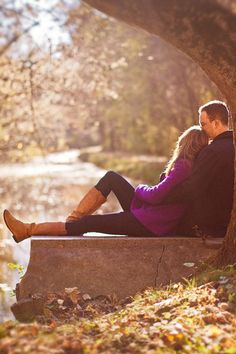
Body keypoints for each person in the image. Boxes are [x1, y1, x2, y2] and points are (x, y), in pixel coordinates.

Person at [3, 126, 208, 243]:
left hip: (150, 223)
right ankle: (72, 221)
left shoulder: (183, 166)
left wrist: (140, 188)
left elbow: (155, 195)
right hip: (150, 215)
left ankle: (28, 230)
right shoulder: (190, 167)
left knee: (89, 223)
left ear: (185, 143)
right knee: (111, 177)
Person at [165, 100, 234, 237]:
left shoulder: (212, 151)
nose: (201, 129)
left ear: (216, 123)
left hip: (207, 226)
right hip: (226, 222)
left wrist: (163, 194)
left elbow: (192, 188)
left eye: (203, 124)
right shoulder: (232, 145)